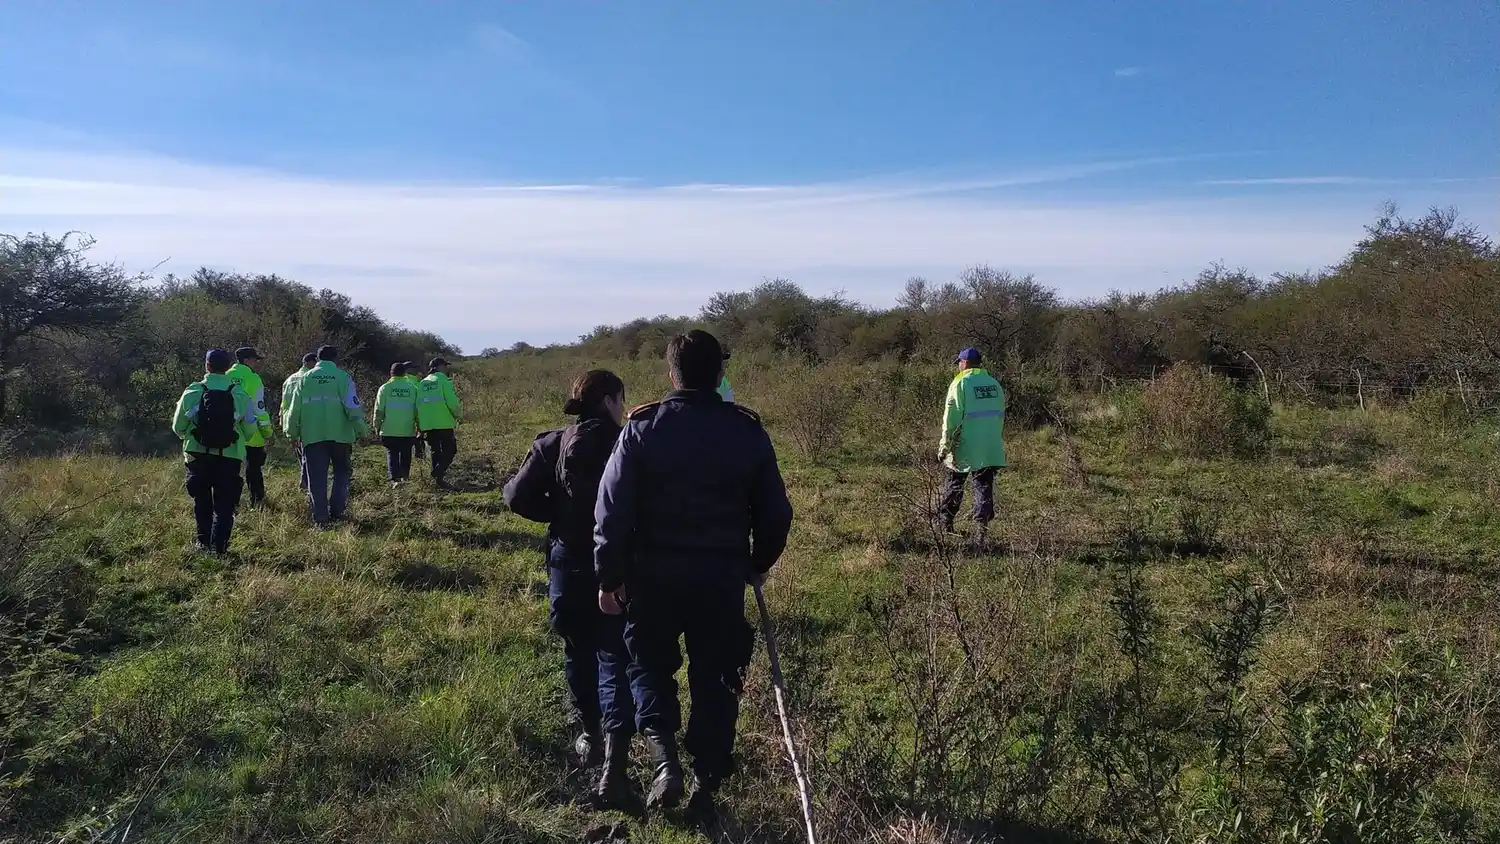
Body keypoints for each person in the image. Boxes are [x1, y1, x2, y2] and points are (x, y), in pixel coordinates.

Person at [594, 330, 794, 820]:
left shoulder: (641, 427)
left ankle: (665, 763)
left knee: (648, 667)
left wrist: (609, 575)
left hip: (653, 578)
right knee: (718, 676)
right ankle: (705, 783)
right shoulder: (746, 430)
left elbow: (611, 510)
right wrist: (758, 563)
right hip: (720, 580)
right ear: (720, 375)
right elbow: (776, 513)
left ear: (670, 374)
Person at [503, 370, 641, 807]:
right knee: (617, 651)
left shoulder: (552, 444)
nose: (622, 406)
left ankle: (590, 733)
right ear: (607, 400)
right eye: (620, 399)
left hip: (569, 560)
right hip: (619, 563)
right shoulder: (630, 443)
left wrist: (558, 516)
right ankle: (620, 748)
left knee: (577, 647)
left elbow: (515, 497)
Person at [170, 348, 261, 554]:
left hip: (198, 455)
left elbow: (178, 427)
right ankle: (220, 548)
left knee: (202, 501)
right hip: (229, 457)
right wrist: (235, 440)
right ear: (228, 368)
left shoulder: (193, 391)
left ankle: (203, 543)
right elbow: (249, 428)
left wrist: (193, 438)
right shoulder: (239, 394)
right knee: (225, 506)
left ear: (207, 365)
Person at [285, 345, 367, 527]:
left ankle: (320, 518)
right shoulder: (343, 378)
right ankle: (338, 511)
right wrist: (362, 431)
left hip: (312, 436)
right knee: (342, 473)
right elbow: (352, 407)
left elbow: (294, 409)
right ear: (335, 359)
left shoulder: (304, 378)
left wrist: (292, 433)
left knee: (316, 478)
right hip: (341, 436)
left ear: (319, 359)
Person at [937, 347, 1007, 537]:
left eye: (959, 362)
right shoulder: (993, 384)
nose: (958, 366)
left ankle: (945, 526)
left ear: (965, 363)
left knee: (954, 484)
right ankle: (981, 531)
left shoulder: (960, 383)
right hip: (989, 447)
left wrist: (945, 447)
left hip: (964, 446)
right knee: (984, 486)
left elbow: (950, 419)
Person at [226, 347, 275, 507]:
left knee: (230, 471)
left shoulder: (226, 376)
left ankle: (232, 504)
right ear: (247, 360)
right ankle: (257, 502)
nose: (257, 363)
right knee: (253, 470)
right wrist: (267, 431)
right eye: (255, 360)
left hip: (229, 432)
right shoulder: (253, 379)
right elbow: (258, 408)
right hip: (252, 432)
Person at [417, 357, 462, 490]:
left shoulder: (422, 383)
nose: (446, 368)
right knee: (451, 450)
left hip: (427, 423)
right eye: (445, 366)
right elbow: (452, 402)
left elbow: (418, 404)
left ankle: (438, 481)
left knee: (435, 450)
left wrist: (419, 423)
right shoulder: (443, 380)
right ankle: (437, 473)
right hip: (443, 422)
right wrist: (458, 415)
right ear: (440, 367)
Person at [375, 361, 421, 486]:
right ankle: (405, 478)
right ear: (404, 373)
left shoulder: (384, 388)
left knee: (392, 453)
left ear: (391, 373)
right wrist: (419, 426)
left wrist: (376, 426)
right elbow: (417, 410)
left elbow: (379, 410)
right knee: (406, 454)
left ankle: (394, 480)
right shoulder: (413, 388)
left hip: (389, 429)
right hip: (407, 429)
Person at [282, 352, 318, 494]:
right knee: (308, 457)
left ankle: (305, 485)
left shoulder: (289, 379)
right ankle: (305, 486)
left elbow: (284, 405)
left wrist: (285, 425)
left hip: (290, 422)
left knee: (301, 456)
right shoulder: (309, 379)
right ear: (311, 363)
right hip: (306, 421)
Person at [403, 362, 427, 461]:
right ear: (409, 370)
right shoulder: (417, 384)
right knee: (418, 437)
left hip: (398, 416)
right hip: (415, 414)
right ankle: (419, 457)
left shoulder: (396, 382)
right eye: (415, 368)